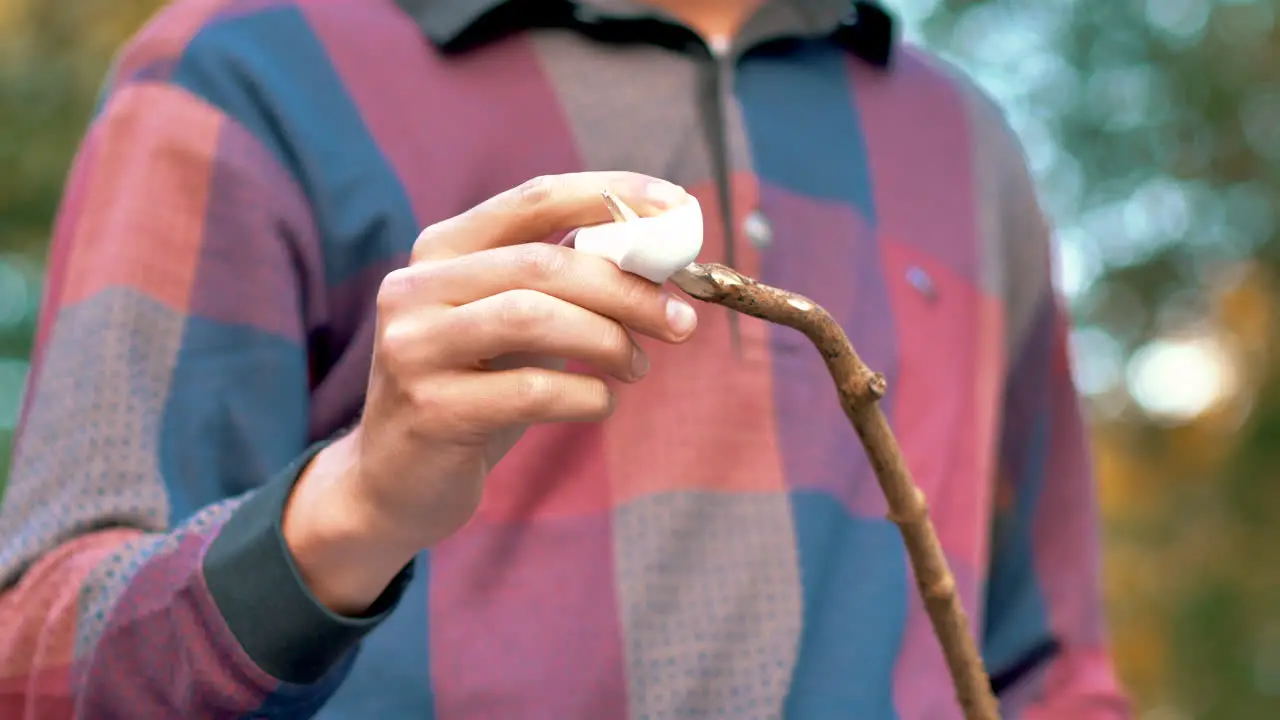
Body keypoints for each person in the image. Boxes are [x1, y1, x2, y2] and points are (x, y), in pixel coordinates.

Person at [0, 0, 1131, 717]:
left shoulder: (960, 141)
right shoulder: (246, 69)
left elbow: (1049, 671)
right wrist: (358, 504)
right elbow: (40, 665)